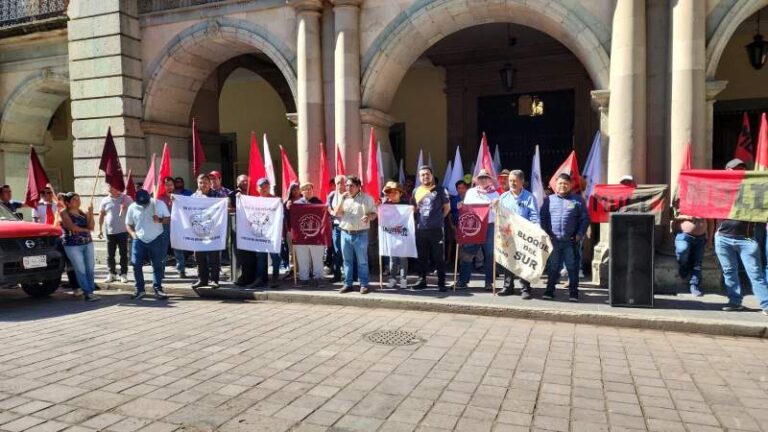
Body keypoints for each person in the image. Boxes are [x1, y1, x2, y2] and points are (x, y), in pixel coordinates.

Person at [714, 159, 768, 315]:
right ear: (727, 170)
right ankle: (735, 302)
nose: (739, 171)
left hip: (746, 239)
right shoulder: (720, 189)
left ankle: (766, 305)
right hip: (723, 238)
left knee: (755, 274)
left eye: (742, 169)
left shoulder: (753, 190)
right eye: (735, 168)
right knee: (729, 272)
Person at [540, 173, 589, 302]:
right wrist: (545, 234)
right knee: (553, 266)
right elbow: (543, 218)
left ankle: (573, 293)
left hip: (571, 241)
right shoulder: (548, 200)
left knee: (572, 267)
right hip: (553, 241)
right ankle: (549, 291)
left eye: (565, 183)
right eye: (560, 183)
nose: (562, 185)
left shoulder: (578, 200)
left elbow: (585, 219)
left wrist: (580, 234)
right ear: (555, 185)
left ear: (570, 185)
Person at [497, 169, 539, 298]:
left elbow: (534, 215)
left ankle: (525, 288)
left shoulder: (529, 197)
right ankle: (507, 287)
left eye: (515, 181)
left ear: (522, 181)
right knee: (508, 260)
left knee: (524, 262)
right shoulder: (503, 197)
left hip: (524, 234)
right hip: (508, 234)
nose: (512, 183)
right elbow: (499, 215)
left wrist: (535, 231)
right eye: (510, 181)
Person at [334, 175, 377, 294]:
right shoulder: (344, 198)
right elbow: (336, 213)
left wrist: (368, 216)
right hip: (345, 233)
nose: (348, 188)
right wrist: (341, 200)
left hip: (361, 234)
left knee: (362, 261)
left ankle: (364, 284)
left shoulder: (367, 199)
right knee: (347, 260)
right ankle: (348, 284)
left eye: (351, 186)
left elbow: (374, 214)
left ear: (358, 186)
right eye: (347, 185)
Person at [410, 165, 450, 291]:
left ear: (432, 175)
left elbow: (447, 208)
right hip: (421, 229)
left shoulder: (441, 190)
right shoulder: (416, 191)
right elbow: (414, 208)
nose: (425, 176)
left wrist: (438, 219)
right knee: (422, 257)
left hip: (436, 229)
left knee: (439, 257)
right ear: (419, 177)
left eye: (427, 174)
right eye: (422, 175)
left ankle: (441, 283)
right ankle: (422, 281)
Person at [457, 169, 499, 290]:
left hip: (490, 225)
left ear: (489, 180)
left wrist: (497, 204)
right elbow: (466, 208)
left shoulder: (495, 194)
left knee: (490, 254)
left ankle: (489, 283)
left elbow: (500, 211)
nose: (483, 180)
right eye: (481, 178)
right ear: (477, 180)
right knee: (467, 252)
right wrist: (461, 205)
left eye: (485, 177)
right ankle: (463, 281)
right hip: (474, 225)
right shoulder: (470, 192)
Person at [125, 189, 171, 300]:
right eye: (141, 203)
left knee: (157, 264)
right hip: (139, 239)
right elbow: (128, 224)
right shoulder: (132, 207)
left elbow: (168, 219)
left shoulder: (158, 204)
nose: (143, 205)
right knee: (136, 264)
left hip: (156, 238)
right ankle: (139, 290)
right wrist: (133, 234)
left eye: (145, 202)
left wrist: (159, 220)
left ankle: (158, 289)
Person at [59, 192, 99, 302]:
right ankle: (87, 292)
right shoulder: (63, 212)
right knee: (80, 269)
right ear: (67, 203)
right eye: (74, 199)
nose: (78, 201)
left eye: (78, 198)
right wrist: (86, 230)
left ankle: (91, 291)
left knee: (90, 268)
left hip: (87, 243)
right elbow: (72, 227)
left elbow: (91, 226)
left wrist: (91, 213)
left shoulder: (82, 212)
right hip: (72, 245)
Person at [671, 197, 713, 297]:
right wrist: (687, 217)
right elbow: (673, 216)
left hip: (701, 238)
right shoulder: (682, 200)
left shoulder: (706, 203)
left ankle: (694, 286)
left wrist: (710, 239)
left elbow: (711, 222)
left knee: (697, 263)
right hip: (683, 235)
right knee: (682, 251)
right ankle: (683, 265)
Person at [191, 174, 222, 289]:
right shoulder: (193, 197)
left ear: (210, 184)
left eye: (205, 182)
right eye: (200, 183)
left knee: (214, 257)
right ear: (197, 184)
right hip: (198, 231)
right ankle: (202, 280)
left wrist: (227, 202)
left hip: (213, 231)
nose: (203, 185)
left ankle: (214, 280)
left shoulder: (217, 195)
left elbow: (225, 206)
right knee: (199, 257)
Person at [291, 182, 325, 287]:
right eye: (306, 189)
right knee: (302, 258)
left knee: (317, 259)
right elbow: (290, 218)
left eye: (310, 188)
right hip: (301, 237)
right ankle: (304, 279)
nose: (308, 190)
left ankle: (318, 278)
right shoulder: (296, 204)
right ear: (302, 191)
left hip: (316, 237)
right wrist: (288, 207)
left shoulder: (319, 202)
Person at [97, 185, 133, 284]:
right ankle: (111, 273)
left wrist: (126, 208)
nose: (109, 187)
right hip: (110, 232)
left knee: (123, 254)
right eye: (108, 185)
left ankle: (123, 274)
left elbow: (134, 211)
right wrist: (99, 229)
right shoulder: (105, 200)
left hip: (123, 231)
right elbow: (101, 215)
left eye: (112, 185)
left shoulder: (126, 198)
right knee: (110, 255)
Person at [158, 176, 188, 278]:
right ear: (163, 186)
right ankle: (160, 271)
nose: (169, 187)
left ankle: (181, 270)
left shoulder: (179, 196)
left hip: (176, 226)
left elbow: (185, 209)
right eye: (167, 185)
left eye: (171, 185)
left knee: (178, 248)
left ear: (174, 186)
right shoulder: (160, 198)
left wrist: (177, 200)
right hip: (164, 226)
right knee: (162, 249)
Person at [381, 181, 409, 290]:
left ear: (400, 193)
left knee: (403, 258)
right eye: (390, 192)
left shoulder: (406, 204)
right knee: (392, 259)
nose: (392, 194)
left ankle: (403, 280)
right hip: (391, 235)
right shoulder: (386, 204)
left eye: (395, 192)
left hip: (403, 235)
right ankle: (392, 279)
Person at [255, 177, 281, 288]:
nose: (264, 188)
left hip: (272, 234)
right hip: (260, 234)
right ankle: (261, 279)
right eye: (262, 186)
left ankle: (275, 277)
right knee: (260, 257)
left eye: (266, 186)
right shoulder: (254, 201)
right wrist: (239, 198)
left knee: (275, 256)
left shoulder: (276, 200)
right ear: (257, 188)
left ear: (269, 188)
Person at [327, 175, 346, 282]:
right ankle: (337, 275)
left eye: (342, 183)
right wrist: (333, 213)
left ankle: (350, 275)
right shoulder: (332, 195)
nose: (340, 185)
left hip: (348, 226)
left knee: (347, 251)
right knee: (337, 250)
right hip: (336, 226)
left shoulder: (349, 194)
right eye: (338, 183)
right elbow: (329, 208)